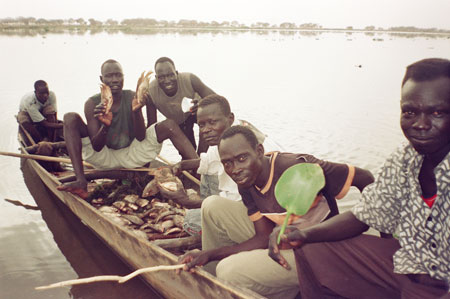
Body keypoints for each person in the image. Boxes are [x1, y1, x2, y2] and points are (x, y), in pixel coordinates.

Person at [268, 58, 450, 299]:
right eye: (410, 112)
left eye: (437, 112)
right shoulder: (405, 159)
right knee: (312, 247)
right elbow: (363, 216)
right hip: (409, 266)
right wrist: (304, 234)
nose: (421, 124)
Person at [177, 125, 374, 299]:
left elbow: (365, 178)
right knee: (212, 206)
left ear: (259, 151)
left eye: (242, 158)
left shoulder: (297, 168)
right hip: (278, 238)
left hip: (317, 249)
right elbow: (263, 236)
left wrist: (382, 228)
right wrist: (209, 254)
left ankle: (274, 287)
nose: (234, 169)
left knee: (229, 271)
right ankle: (212, 286)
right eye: (227, 163)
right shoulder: (246, 182)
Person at [57, 59, 198, 199]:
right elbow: (97, 147)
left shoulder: (131, 96)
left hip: (132, 155)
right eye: (109, 76)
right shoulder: (92, 103)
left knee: (169, 125)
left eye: (118, 75)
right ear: (102, 79)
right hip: (104, 157)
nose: (114, 80)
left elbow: (142, 137)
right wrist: (105, 125)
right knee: (70, 118)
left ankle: (199, 171)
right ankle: (81, 181)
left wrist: (137, 111)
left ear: (123, 77)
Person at [162, 94, 282, 236]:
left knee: (191, 222)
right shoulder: (231, 135)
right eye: (201, 125)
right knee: (207, 172)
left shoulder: (242, 148)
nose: (206, 129)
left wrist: (187, 202)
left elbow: (237, 200)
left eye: (212, 122)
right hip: (257, 204)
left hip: (269, 219)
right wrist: (180, 165)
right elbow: (208, 161)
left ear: (230, 119)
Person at [146, 57, 215, 153]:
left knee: (206, 119)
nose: (167, 81)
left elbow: (217, 100)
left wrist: (201, 105)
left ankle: (201, 158)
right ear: (156, 78)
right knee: (188, 152)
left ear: (177, 73)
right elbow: (151, 127)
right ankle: (193, 161)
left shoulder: (190, 79)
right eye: (161, 77)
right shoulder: (151, 91)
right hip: (179, 121)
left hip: (196, 112)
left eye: (170, 75)